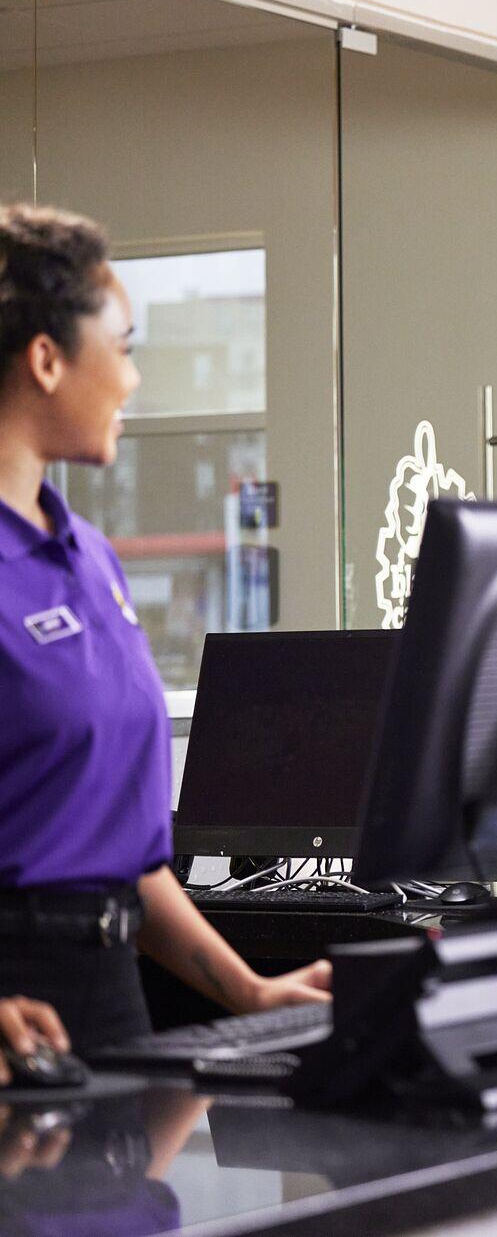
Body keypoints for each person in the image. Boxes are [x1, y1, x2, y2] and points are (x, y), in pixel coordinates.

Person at [0, 204, 331, 1070]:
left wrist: (249, 990)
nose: (134, 377)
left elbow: (130, 859)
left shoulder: (91, 558)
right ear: (46, 359)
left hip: (113, 996)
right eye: (124, 346)